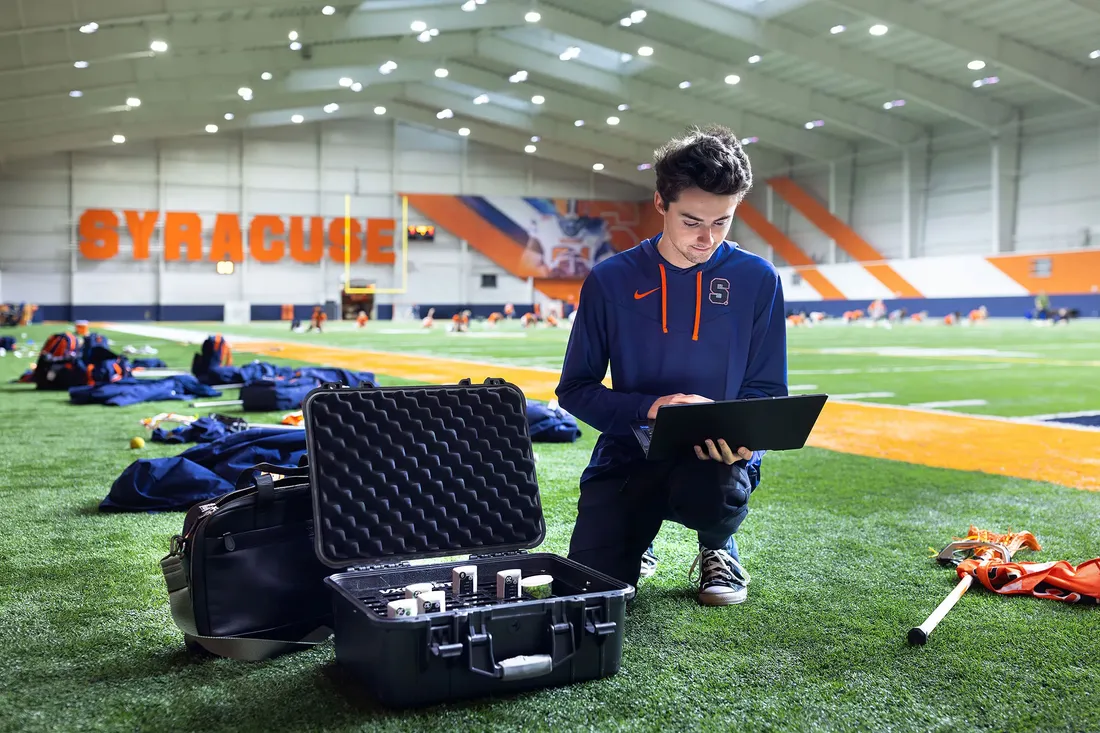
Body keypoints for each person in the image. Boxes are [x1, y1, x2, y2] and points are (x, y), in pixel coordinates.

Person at [555, 124, 788, 607]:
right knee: (591, 591)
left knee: (714, 491)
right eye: (692, 221)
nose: (706, 238)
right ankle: (637, 536)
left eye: (722, 222)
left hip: (715, 459)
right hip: (630, 449)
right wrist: (651, 407)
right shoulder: (610, 280)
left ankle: (717, 544)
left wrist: (746, 442)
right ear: (661, 203)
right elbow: (576, 388)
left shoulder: (757, 279)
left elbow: (767, 388)